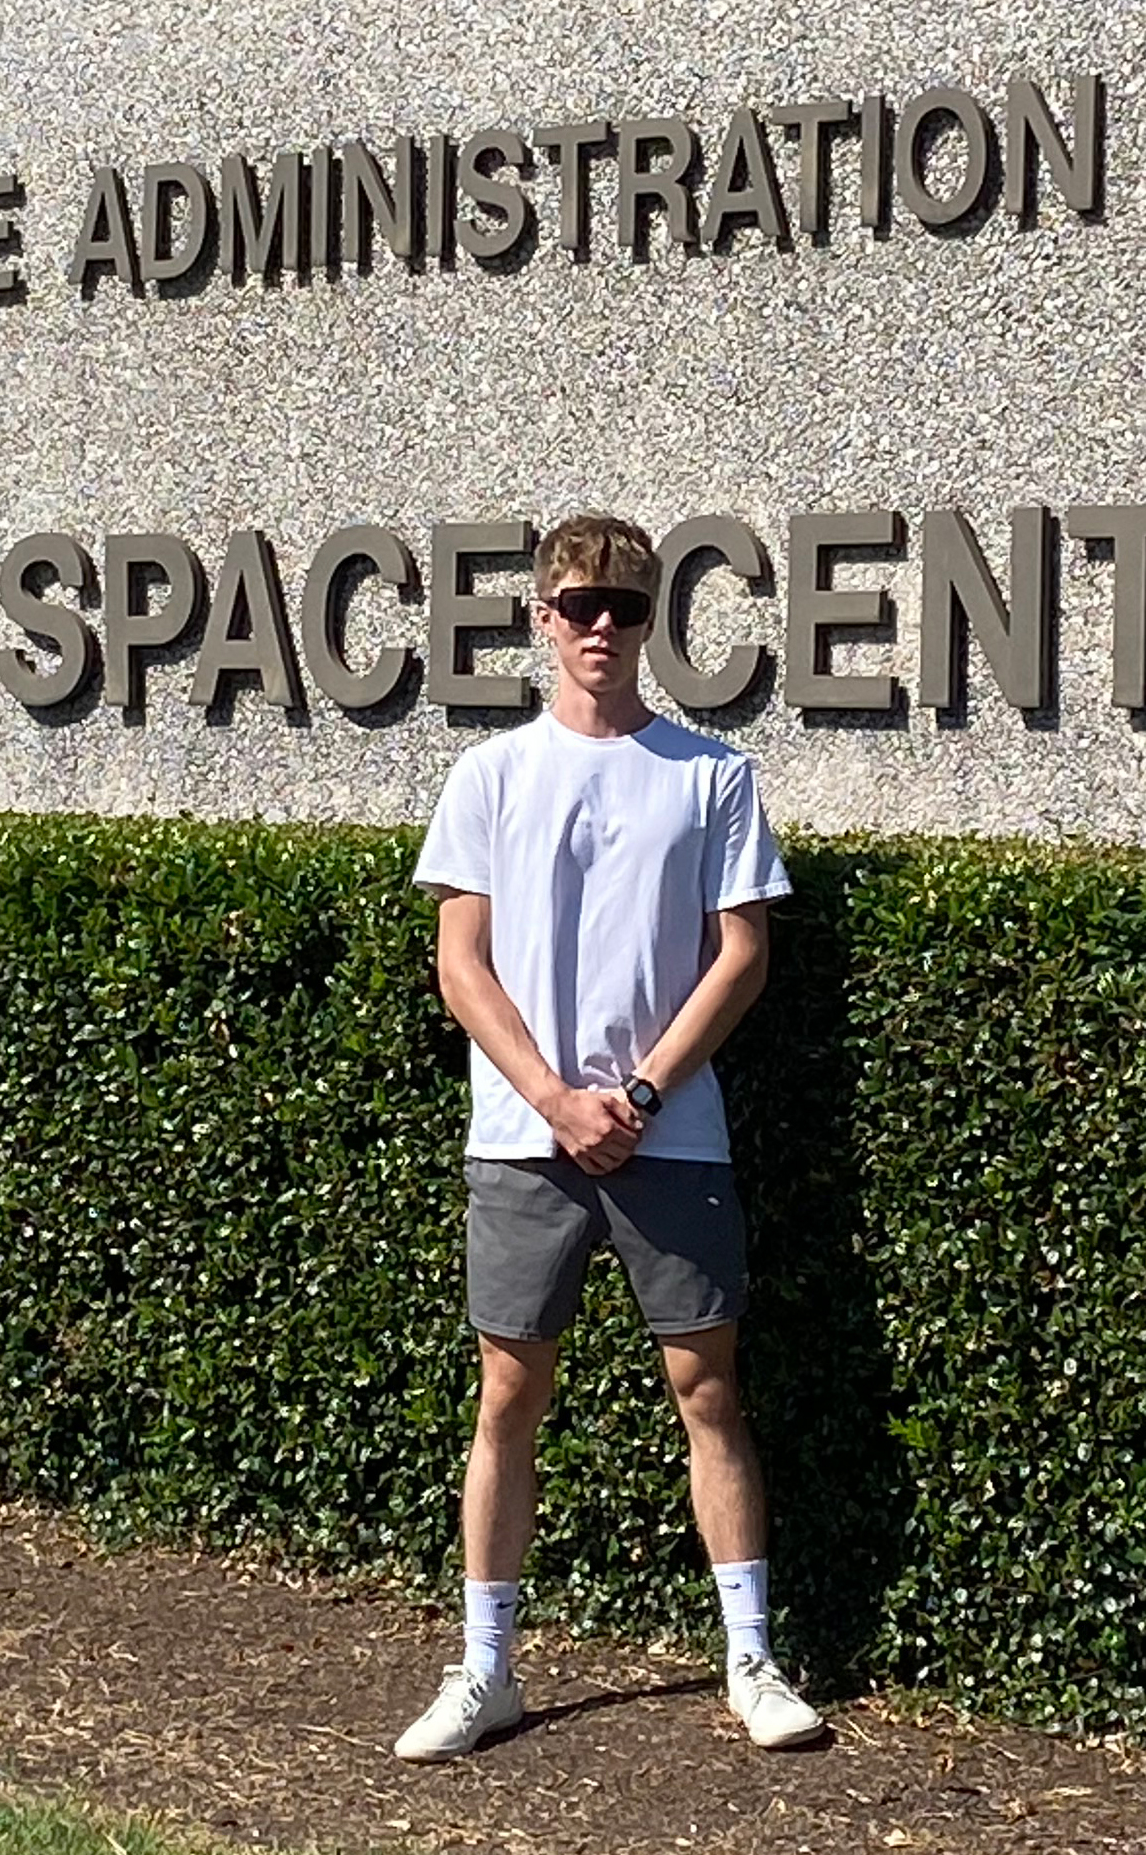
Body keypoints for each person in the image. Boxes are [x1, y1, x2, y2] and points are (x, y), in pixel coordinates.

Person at [392, 512, 823, 1763]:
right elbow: (460, 966)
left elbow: (740, 957)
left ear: (651, 626)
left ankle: (749, 1659)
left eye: (624, 609)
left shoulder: (710, 776)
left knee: (709, 1391)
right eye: (578, 604)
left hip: (670, 1135)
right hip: (521, 1140)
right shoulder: (488, 776)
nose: (599, 627)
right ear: (540, 616)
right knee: (508, 1397)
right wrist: (553, 1097)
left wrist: (631, 1096)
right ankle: (486, 1670)